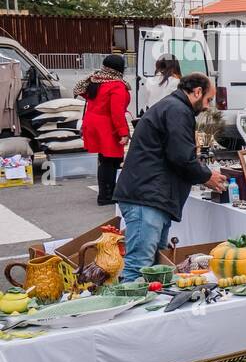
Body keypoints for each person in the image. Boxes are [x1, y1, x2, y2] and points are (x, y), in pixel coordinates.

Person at [114, 74, 226, 282]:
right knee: (139, 267)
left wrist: (202, 174)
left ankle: (147, 310)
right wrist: (206, 176)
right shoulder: (177, 110)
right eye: (209, 100)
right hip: (146, 198)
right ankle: (126, 308)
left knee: (155, 266)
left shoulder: (174, 108)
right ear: (197, 92)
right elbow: (181, 157)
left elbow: (177, 155)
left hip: (151, 197)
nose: (208, 106)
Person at [77, 54, 131, 206]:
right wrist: (123, 132)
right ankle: (107, 196)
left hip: (93, 123)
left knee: (103, 159)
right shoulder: (116, 85)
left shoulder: (96, 80)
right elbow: (117, 112)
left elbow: (85, 94)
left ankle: (105, 193)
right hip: (107, 126)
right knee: (111, 160)